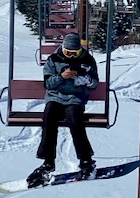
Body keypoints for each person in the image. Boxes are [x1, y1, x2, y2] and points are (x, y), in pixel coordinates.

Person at [27, 32, 99, 186]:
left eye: (75, 53)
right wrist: (62, 77)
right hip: (56, 98)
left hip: (75, 98)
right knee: (49, 117)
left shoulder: (88, 60)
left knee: (75, 119)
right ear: (63, 49)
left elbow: (94, 83)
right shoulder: (54, 60)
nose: (72, 56)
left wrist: (86, 80)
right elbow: (48, 84)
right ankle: (48, 162)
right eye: (68, 53)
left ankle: (86, 160)